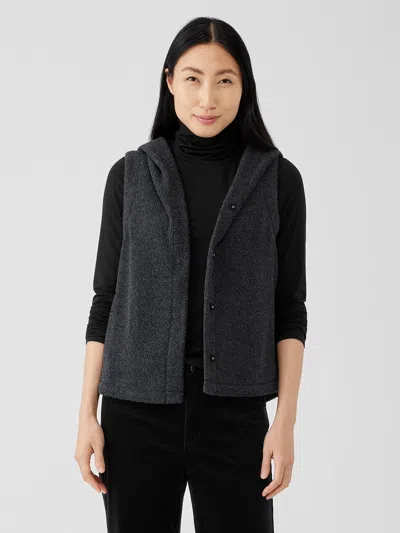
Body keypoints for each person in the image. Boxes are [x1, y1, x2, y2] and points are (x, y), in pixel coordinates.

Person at [75, 16, 307, 533]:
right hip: (134, 414)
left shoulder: (278, 181)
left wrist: (285, 422)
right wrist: (87, 413)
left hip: (235, 416)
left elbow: (290, 309)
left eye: (224, 80)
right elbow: (105, 300)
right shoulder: (130, 176)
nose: (208, 97)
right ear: (169, 82)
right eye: (193, 78)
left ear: (244, 86)